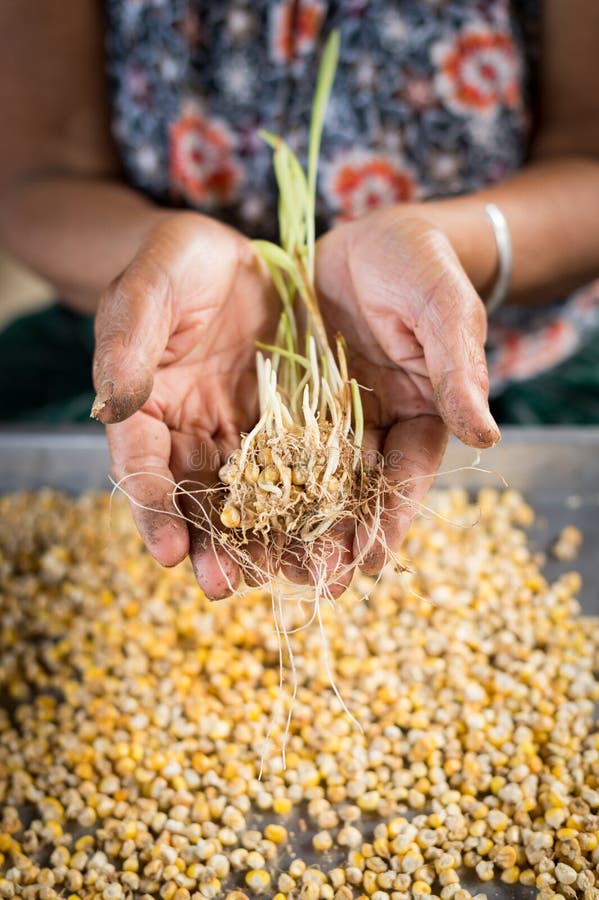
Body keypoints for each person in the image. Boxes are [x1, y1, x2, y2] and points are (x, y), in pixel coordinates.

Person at [1, 0, 598, 599]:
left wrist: (452, 246)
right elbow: (36, 183)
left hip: (504, 355)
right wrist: (151, 257)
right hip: (168, 348)